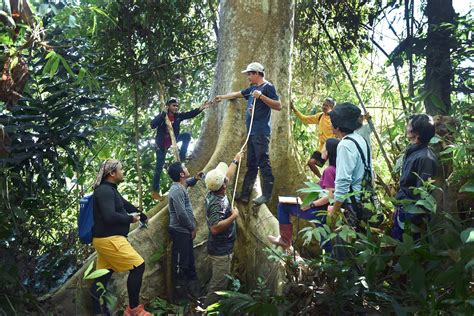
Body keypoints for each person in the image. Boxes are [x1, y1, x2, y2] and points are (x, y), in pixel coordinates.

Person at [214, 62, 281, 206]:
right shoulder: (252, 88)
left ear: (257, 73)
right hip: (251, 133)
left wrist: (262, 96)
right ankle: (245, 195)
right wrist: (223, 97)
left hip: (261, 132)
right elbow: (238, 94)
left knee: (263, 162)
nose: (248, 77)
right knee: (251, 164)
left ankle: (266, 195)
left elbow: (278, 105)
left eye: (249, 74)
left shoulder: (267, 87)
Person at [90, 159, 151, 316]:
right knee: (138, 266)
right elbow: (110, 217)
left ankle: (97, 311)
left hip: (107, 240)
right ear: (112, 173)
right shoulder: (104, 191)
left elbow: (125, 205)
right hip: (109, 239)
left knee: (102, 276)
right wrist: (130, 219)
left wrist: (142, 216)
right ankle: (133, 310)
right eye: (121, 169)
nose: (123, 172)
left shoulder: (111, 190)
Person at [268, 138, 339, 252]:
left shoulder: (329, 170)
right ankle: (333, 263)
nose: (321, 150)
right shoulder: (336, 168)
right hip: (324, 212)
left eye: (324, 147)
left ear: (329, 151)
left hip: (319, 211)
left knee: (283, 206)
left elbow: (330, 196)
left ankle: (285, 240)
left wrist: (311, 204)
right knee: (325, 239)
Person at [150, 97, 209, 200]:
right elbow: (152, 125)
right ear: (168, 106)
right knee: (158, 169)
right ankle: (155, 191)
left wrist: (201, 108)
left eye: (177, 106)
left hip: (173, 140)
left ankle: (182, 156)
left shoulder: (178, 116)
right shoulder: (163, 115)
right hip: (161, 145)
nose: (176, 107)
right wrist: (162, 115)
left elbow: (189, 114)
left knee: (186, 136)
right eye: (173, 105)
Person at [203, 151, 242, 307]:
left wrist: (235, 160)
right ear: (223, 186)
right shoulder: (217, 204)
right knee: (218, 285)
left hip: (221, 248)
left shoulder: (214, 191)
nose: (226, 177)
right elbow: (214, 228)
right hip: (220, 251)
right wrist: (234, 216)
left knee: (219, 280)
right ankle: (207, 309)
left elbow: (228, 176)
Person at [392, 114, 438, 241]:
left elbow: (422, 194)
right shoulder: (413, 152)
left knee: (409, 250)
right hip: (404, 209)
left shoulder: (425, 158)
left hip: (412, 215)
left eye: (409, 125)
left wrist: (412, 221)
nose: (406, 127)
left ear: (416, 133)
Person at [327, 103, 371, 227]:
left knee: (344, 242)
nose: (330, 125)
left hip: (352, 204)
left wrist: (334, 211)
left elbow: (343, 181)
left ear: (338, 126)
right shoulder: (360, 139)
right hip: (364, 199)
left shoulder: (345, 145)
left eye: (332, 122)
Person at [167, 162, 202, 301]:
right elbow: (181, 214)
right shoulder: (176, 190)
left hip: (184, 231)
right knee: (181, 263)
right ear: (181, 174)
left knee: (189, 261)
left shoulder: (180, 186)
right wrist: (192, 228)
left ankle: (193, 292)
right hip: (180, 231)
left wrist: (195, 178)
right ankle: (180, 296)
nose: (187, 168)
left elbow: (187, 182)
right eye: (185, 168)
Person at [290, 98, 336, 177]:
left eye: (327, 106)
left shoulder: (335, 118)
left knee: (332, 168)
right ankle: (321, 179)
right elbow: (305, 119)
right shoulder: (320, 116)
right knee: (311, 162)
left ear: (331, 107)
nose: (324, 107)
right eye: (323, 105)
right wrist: (294, 109)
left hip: (333, 147)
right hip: (322, 148)